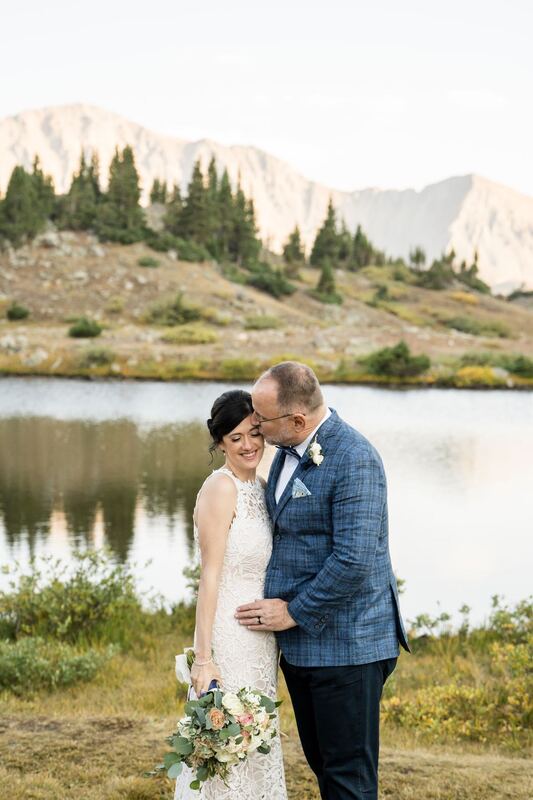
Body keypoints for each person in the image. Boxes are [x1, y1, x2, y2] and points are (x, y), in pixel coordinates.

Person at [235, 362, 409, 800]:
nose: (254, 423)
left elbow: (354, 559)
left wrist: (293, 611)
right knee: (323, 765)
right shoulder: (288, 451)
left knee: (347, 779)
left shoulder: (355, 458)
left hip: (348, 647)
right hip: (304, 648)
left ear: (297, 420)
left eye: (262, 417)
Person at [174, 389, 287, 800]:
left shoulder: (261, 486)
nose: (248, 445)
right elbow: (209, 577)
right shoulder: (220, 489)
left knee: (255, 739)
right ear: (220, 441)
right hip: (230, 635)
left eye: (255, 433)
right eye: (236, 437)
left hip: (261, 640)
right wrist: (203, 659)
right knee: (227, 740)